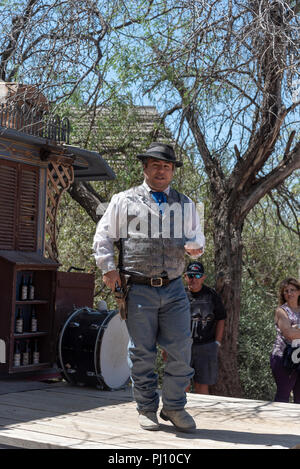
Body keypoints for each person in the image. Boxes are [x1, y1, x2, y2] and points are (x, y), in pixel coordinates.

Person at [93, 142, 205, 432]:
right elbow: (103, 236)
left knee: (181, 348)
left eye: (166, 166)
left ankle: (174, 407)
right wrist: (108, 269)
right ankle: (146, 409)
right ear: (145, 168)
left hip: (174, 288)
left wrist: (195, 248)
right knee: (142, 352)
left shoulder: (186, 204)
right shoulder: (124, 201)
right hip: (139, 287)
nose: (161, 170)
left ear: (172, 172)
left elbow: (197, 239)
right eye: (155, 165)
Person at [184, 261, 226, 394]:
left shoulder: (211, 295)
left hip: (206, 346)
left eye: (197, 276)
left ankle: (200, 414)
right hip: (182, 347)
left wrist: (217, 343)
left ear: (203, 277)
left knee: (202, 386)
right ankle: (179, 412)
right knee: (182, 384)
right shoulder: (179, 295)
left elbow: (221, 318)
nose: (193, 279)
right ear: (185, 277)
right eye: (190, 275)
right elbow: (168, 320)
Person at [270, 277, 300, 403]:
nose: (289, 293)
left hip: (299, 357)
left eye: (292, 290)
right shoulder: (281, 311)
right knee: (283, 395)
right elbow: (288, 333)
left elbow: (294, 333)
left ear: (299, 291)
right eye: (286, 291)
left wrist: (296, 329)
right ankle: (276, 422)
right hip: (283, 358)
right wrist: (292, 330)